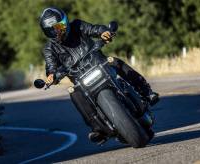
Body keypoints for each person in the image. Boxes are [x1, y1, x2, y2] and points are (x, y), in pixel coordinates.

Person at [39, 7, 159, 143]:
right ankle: (97, 128)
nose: (58, 31)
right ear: (47, 32)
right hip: (79, 78)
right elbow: (51, 67)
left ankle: (146, 91)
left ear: (65, 22)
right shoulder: (49, 49)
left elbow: (94, 29)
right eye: (52, 29)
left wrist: (104, 32)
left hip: (99, 64)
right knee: (74, 92)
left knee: (114, 61)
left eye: (60, 26)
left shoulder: (77, 26)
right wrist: (51, 76)